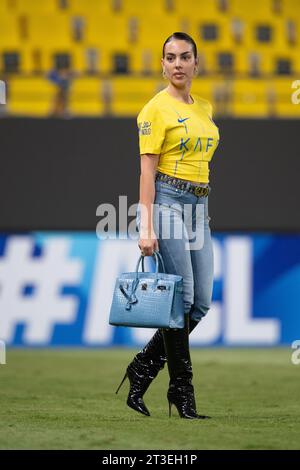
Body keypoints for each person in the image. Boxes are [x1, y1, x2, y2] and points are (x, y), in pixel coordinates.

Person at [116, 32, 220, 419]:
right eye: (170, 57)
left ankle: (141, 369)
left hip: (198, 206)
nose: (177, 64)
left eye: (185, 57)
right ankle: (182, 393)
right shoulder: (154, 110)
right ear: (162, 65)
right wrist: (146, 225)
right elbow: (146, 171)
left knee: (202, 303)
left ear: (196, 63)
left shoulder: (205, 107)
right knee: (185, 298)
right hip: (167, 202)